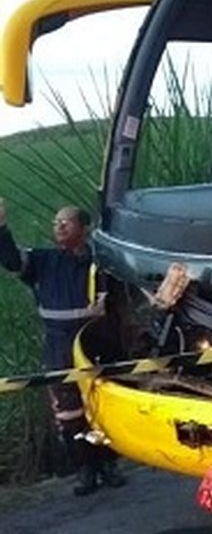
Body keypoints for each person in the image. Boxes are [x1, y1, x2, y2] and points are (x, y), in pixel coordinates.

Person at [0, 200, 126, 496]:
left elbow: (122, 302)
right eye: (56, 222)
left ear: (84, 228)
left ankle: (109, 464)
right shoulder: (43, 261)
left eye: (66, 222)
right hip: (58, 345)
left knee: (100, 406)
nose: (58, 227)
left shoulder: (102, 262)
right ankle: (85, 469)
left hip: (96, 341)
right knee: (69, 412)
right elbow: (11, 262)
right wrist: (2, 229)